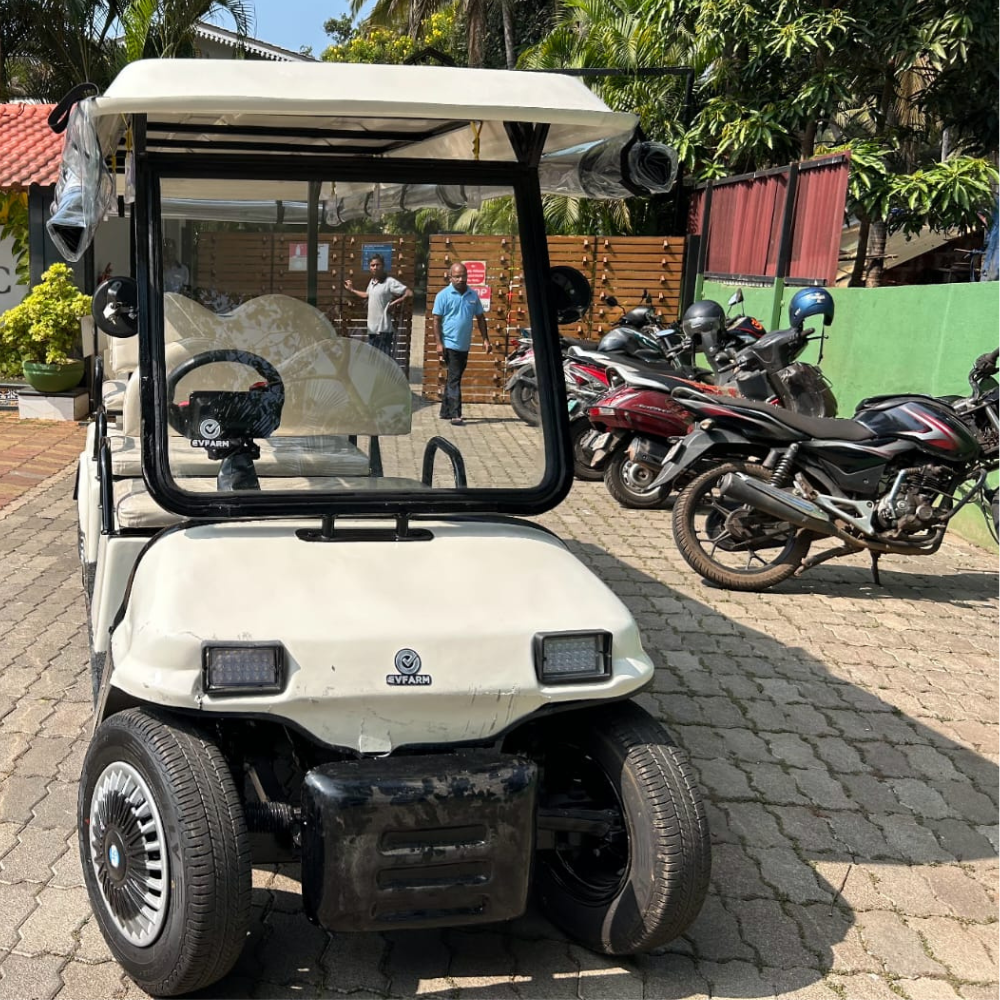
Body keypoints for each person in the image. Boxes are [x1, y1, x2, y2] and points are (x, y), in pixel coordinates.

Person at [433, 263, 492, 425]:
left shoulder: (472, 295)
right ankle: (455, 414)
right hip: (449, 344)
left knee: (454, 376)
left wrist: (485, 340)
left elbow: (480, 318)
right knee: (454, 379)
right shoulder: (443, 295)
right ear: (450, 277)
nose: (460, 279)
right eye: (457, 276)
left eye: (463, 276)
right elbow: (436, 320)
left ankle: (445, 411)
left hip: (464, 345)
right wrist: (439, 343)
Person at [344, 254, 412, 357]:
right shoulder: (372, 282)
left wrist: (395, 303)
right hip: (372, 331)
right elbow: (367, 295)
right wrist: (352, 290)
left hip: (383, 331)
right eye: (372, 265)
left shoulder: (389, 282)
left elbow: (409, 293)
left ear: (383, 266)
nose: (375, 267)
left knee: (383, 364)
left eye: (377, 265)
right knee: (374, 363)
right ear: (370, 267)